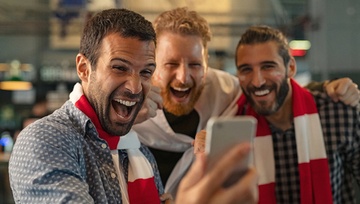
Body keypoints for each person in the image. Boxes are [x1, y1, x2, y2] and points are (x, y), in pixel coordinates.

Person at [8, 8, 258, 204]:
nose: (136, 87)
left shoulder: (136, 151)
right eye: (119, 67)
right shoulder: (45, 140)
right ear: (84, 69)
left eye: (146, 71)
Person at [132, 7, 360, 198]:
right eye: (171, 64)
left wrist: (326, 89)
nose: (183, 77)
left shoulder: (226, 92)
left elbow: (274, 91)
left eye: (195, 64)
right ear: (153, 64)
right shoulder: (129, 111)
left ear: (207, 63)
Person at [234, 25, 360, 203]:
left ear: (291, 68)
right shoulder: (236, 128)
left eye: (268, 66)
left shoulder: (336, 112)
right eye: (246, 69)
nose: (257, 81)